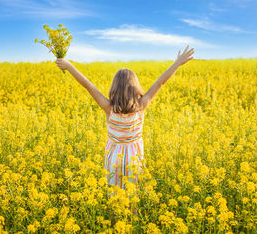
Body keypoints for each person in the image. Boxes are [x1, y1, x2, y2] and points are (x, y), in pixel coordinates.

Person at [55, 45, 195, 214]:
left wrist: (69, 66)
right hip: (134, 161)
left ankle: (115, 226)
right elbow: (160, 82)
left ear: (115, 88)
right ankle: (132, 224)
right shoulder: (141, 106)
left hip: (114, 159)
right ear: (135, 87)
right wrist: (177, 63)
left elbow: (88, 85)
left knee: (115, 200)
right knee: (132, 199)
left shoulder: (108, 108)